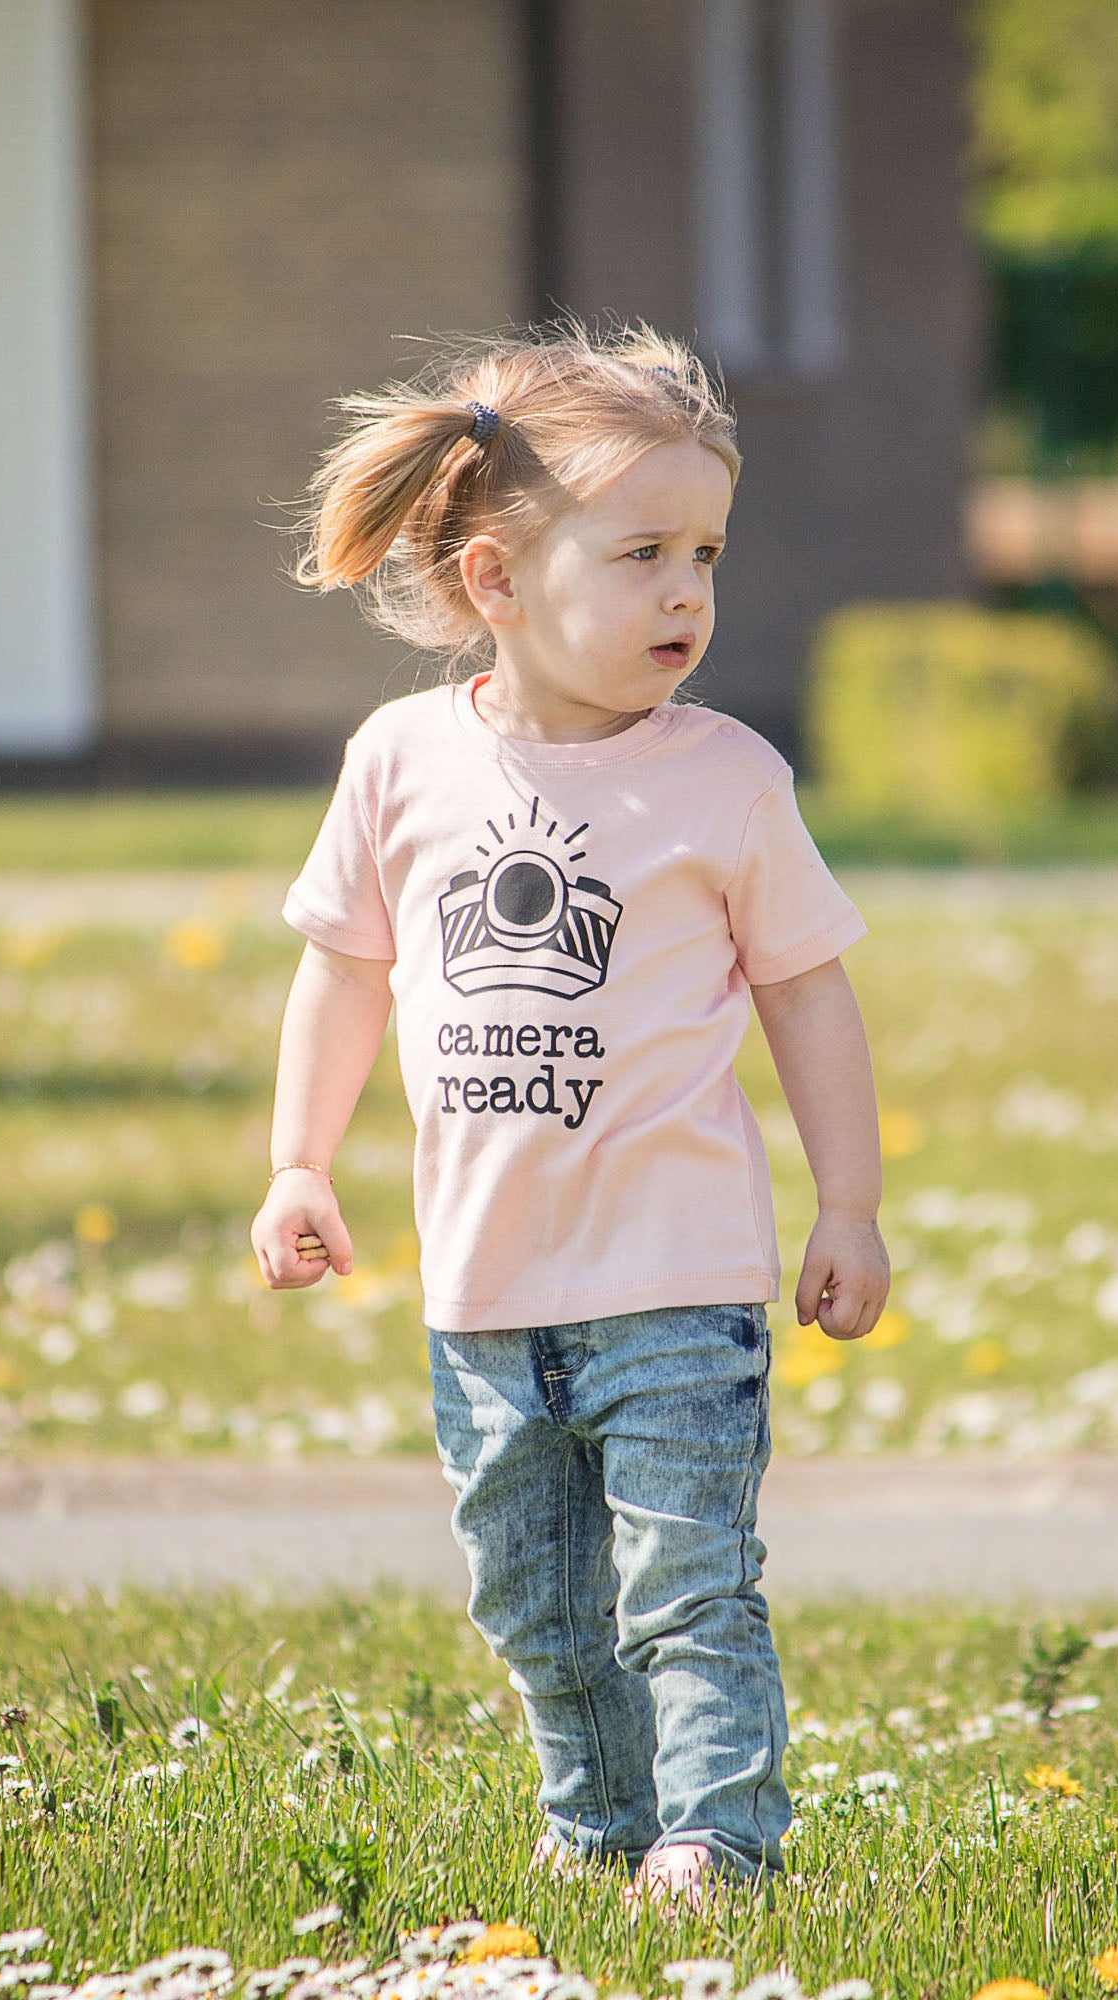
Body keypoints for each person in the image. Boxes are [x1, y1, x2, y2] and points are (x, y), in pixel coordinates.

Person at [250, 319, 890, 1910]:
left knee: (684, 1587)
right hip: (485, 1290)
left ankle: (718, 1837)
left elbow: (810, 993)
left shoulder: (725, 776)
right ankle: (601, 1821)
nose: (688, 592)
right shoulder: (400, 762)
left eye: (708, 554)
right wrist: (297, 1165)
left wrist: (851, 1206)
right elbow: (342, 973)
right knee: (532, 1599)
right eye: (644, 554)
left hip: (675, 1281)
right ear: (497, 581)